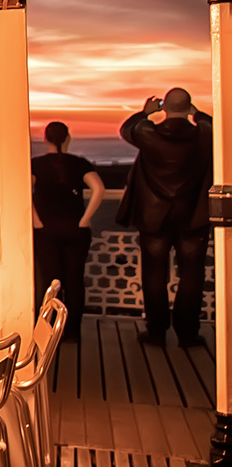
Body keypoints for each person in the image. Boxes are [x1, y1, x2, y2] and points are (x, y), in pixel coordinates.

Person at [117, 88, 213, 346]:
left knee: (154, 274)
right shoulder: (203, 135)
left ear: (165, 107)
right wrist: (198, 115)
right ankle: (188, 333)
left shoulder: (149, 134)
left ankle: (157, 331)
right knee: (193, 275)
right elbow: (216, 128)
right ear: (189, 108)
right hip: (193, 217)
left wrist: (145, 113)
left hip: (153, 218)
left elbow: (127, 130)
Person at [31, 121, 104, 339]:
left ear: (45, 138)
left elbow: (23, 188)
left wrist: (36, 220)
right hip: (75, 228)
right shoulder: (79, 163)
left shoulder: (36, 164)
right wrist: (85, 218)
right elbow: (99, 188)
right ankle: (72, 331)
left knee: (49, 281)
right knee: (74, 280)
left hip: (46, 229)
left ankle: (47, 330)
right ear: (68, 138)